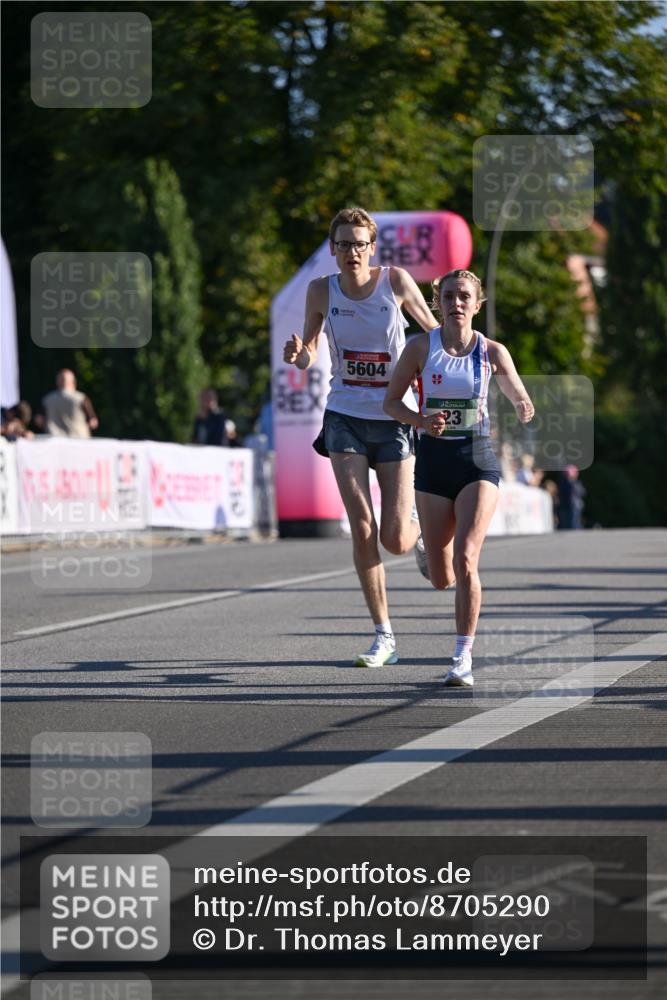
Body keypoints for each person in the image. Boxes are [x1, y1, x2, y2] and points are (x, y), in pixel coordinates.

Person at [283, 206, 440, 667]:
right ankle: (383, 635)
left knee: (395, 539)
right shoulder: (321, 290)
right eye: (343, 244)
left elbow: (434, 336)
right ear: (333, 250)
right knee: (362, 527)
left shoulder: (396, 282)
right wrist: (298, 354)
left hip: (393, 416)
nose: (351, 252)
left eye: (359, 244)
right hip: (344, 415)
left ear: (372, 248)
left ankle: (418, 528)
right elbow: (309, 352)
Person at [384, 269, 535, 687]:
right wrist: (420, 420)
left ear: (477, 304)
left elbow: (518, 393)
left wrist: (523, 405)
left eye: (464, 296)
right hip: (433, 463)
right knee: (442, 577)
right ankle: (422, 539)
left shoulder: (492, 352)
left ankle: (462, 656)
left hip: (476, 461)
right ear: (438, 303)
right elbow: (391, 402)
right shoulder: (420, 347)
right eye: (449, 296)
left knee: (466, 557)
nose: (456, 304)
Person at [40, 369, 98, 438]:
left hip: (54, 438)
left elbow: (39, 420)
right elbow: (93, 422)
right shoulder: (81, 398)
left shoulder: (48, 399)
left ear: (57, 382)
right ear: (73, 382)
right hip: (79, 438)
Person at [557, 464, 585, 530]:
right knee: (566, 524)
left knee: (574, 523)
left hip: (575, 507)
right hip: (565, 506)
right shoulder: (563, 483)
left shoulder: (576, 483)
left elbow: (582, 492)